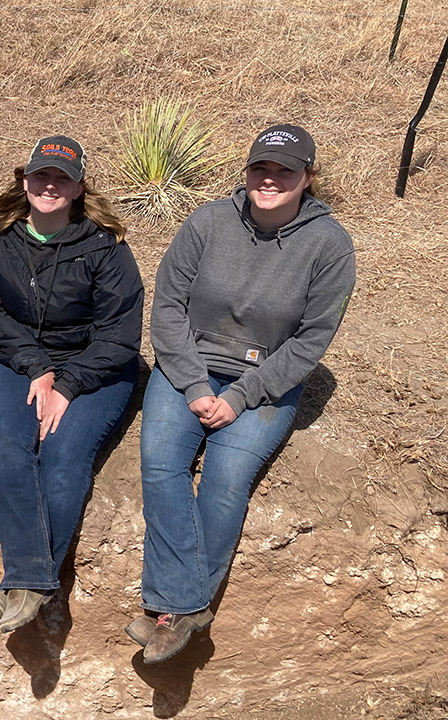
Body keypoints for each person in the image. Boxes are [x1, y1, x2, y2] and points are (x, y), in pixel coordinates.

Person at [131, 124, 355, 662]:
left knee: (226, 481)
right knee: (162, 462)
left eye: (285, 170)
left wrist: (240, 396)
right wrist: (191, 383)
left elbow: (309, 343)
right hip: (189, 366)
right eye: (261, 168)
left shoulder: (330, 245)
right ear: (247, 171)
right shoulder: (207, 222)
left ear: (307, 177)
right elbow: (167, 310)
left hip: (266, 380)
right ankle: (185, 608)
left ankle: (171, 611)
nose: (270, 179)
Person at [0, 136, 144, 633]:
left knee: (63, 454)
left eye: (62, 178)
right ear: (24, 180)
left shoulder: (105, 246)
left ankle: (25, 585)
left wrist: (67, 384)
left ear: (77, 187)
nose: (49, 185)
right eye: (40, 175)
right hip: (16, 360)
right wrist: (36, 367)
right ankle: (35, 583)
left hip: (96, 369)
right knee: (10, 449)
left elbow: (120, 336)